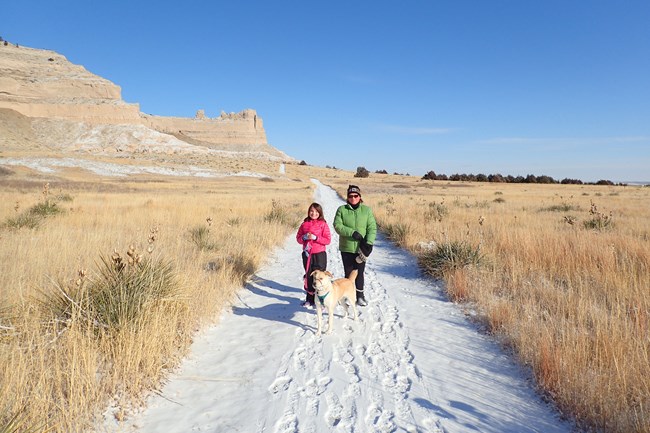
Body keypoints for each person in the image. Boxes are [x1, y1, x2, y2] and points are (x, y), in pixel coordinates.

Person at [334, 185, 377, 306]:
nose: (353, 198)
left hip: (361, 248)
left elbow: (372, 227)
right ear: (347, 197)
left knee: (359, 272)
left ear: (359, 197)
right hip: (346, 247)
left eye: (355, 196)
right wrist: (352, 233)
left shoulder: (366, 210)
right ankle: (348, 296)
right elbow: (337, 226)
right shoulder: (341, 210)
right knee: (348, 273)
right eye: (350, 196)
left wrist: (368, 243)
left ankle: (360, 296)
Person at [296, 202, 331, 308]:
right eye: (311, 211)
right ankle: (309, 299)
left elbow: (328, 240)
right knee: (309, 275)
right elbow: (298, 239)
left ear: (320, 213)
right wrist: (304, 238)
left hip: (320, 254)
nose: (313, 213)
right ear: (308, 212)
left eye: (316, 211)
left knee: (320, 277)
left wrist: (316, 238)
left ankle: (321, 301)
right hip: (307, 254)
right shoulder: (304, 224)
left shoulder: (323, 224)